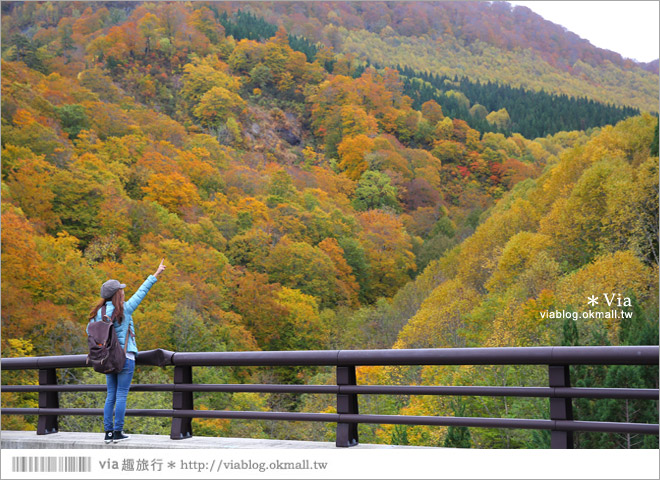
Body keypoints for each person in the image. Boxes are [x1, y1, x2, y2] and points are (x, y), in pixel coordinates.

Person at [87, 259, 166, 444]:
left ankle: (107, 434)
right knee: (121, 394)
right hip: (125, 357)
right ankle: (118, 432)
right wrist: (156, 274)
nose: (123, 292)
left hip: (105, 358)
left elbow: (89, 332)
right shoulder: (125, 310)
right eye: (121, 290)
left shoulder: (98, 313)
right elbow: (142, 292)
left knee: (110, 395)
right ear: (117, 294)